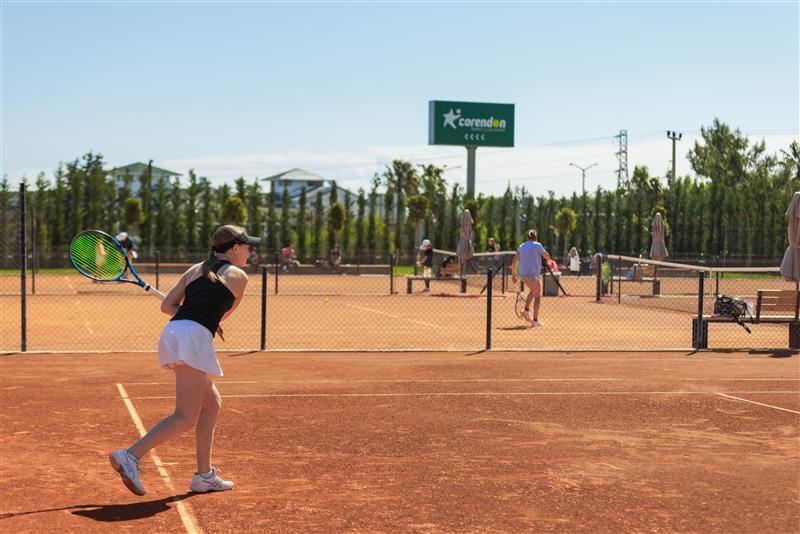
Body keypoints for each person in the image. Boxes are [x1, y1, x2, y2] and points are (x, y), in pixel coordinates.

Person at [108, 224, 260, 496]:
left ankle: (204, 476)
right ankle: (130, 456)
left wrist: (198, 315)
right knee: (185, 416)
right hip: (192, 337)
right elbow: (221, 315)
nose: (250, 251)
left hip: (175, 332)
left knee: (211, 404)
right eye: (247, 246)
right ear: (235, 248)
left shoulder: (196, 269)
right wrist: (207, 320)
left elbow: (167, 306)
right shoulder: (239, 276)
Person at [511, 229, 552, 327]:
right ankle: (535, 320)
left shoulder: (521, 246)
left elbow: (514, 262)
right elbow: (547, 256)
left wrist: (513, 275)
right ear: (535, 237)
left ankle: (526, 311)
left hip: (523, 275)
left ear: (526, 237)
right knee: (537, 296)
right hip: (533, 276)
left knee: (533, 291)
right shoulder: (537, 245)